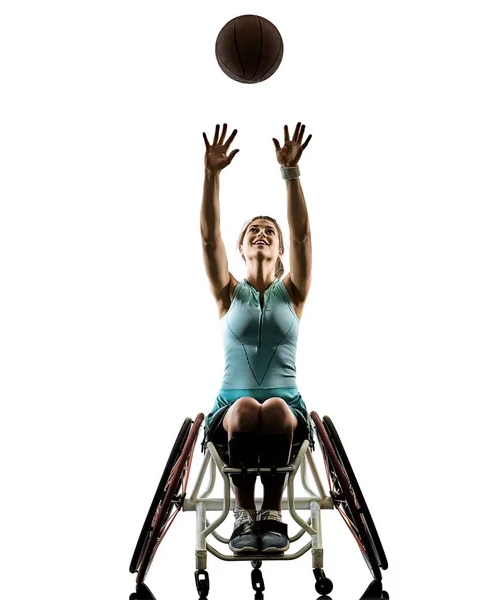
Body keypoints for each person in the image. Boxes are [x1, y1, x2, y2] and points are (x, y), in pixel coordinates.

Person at [200, 122, 312, 555]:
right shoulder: (228, 293)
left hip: (288, 411)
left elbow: (303, 234)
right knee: (249, 407)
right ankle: (245, 514)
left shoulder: (294, 292)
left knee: (277, 408)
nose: (262, 233)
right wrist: (212, 174)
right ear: (243, 248)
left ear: (280, 251)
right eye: (253, 231)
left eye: (270, 231)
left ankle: (272, 512)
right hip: (232, 410)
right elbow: (209, 237)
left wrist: (291, 173)